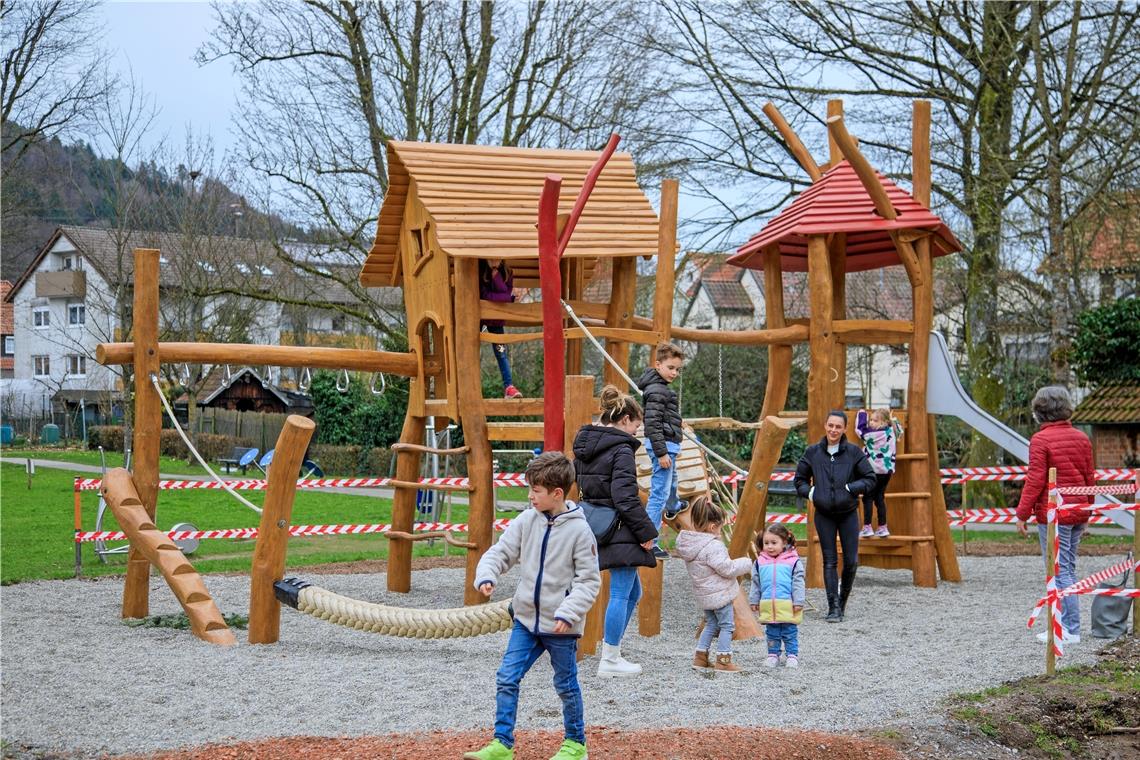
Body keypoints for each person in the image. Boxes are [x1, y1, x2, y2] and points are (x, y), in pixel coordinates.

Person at [464, 452, 600, 760]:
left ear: (556, 493)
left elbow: (589, 581)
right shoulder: (527, 520)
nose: (529, 496)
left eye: (535, 491)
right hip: (525, 620)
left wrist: (569, 611)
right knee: (507, 677)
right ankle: (502, 744)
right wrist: (487, 574)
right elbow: (501, 552)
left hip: (560, 625)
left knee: (565, 684)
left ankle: (576, 744)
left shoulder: (580, 532)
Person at [572, 385, 658, 678]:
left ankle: (613, 649)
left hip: (593, 520)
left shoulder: (585, 445)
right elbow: (625, 496)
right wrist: (646, 531)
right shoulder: (621, 448)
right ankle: (610, 657)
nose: (636, 433)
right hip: (619, 524)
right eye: (636, 426)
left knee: (634, 589)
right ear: (624, 420)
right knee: (622, 591)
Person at [1015, 386, 1094, 645]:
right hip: (1077, 510)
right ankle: (1069, 626)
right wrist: (1087, 510)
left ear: (1040, 412)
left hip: (1054, 514)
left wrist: (1022, 513)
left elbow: (1036, 479)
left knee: (1058, 572)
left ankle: (1068, 629)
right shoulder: (1082, 438)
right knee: (1068, 569)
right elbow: (1088, 477)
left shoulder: (1040, 440)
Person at [794, 410, 876, 623]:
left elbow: (870, 478)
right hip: (824, 515)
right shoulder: (812, 452)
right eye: (830, 425)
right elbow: (799, 480)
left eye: (838, 426)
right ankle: (833, 608)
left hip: (848, 513)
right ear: (825, 425)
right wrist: (812, 493)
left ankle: (842, 601)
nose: (833, 430)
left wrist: (851, 488)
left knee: (851, 561)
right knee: (829, 561)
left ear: (844, 429)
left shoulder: (853, 453)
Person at [674, 496, 752, 674]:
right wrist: (746, 563)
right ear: (712, 526)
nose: (720, 531)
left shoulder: (690, 545)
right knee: (727, 626)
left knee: (711, 624)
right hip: (720, 594)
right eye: (720, 527)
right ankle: (723, 660)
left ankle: (700, 657)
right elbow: (726, 568)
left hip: (704, 595)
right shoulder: (712, 546)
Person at [636, 342, 685, 559]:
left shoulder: (660, 387)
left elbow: (664, 418)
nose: (675, 373)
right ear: (658, 365)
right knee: (659, 494)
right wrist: (662, 452)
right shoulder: (657, 390)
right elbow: (652, 424)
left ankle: (673, 506)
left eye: (678, 369)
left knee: (672, 481)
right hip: (663, 446)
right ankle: (649, 541)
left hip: (668, 443)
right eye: (671, 368)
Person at [749, 523, 805, 668]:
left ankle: (792, 655)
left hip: (787, 603)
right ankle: (773, 655)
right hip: (768, 603)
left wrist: (798, 600)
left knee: (789, 631)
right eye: (766, 543)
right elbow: (756, 583)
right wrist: (754, 600)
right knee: (772, 632)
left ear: (784, 542)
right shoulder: (760, 562)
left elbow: (798, 582)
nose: (770, 546)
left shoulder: (793, 561)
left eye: (774, 543)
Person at [855, 408, 903, 538]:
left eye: (875, 420)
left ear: (883, 422)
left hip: (871, 470)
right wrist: (893, 420)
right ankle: (883, 527)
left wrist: (862, 414)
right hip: (886, 470)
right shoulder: (891, 431)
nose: (871, 423)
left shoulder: (869, 433)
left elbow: (859, 429)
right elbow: (900, 430)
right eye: (870, 419)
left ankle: (867, 527)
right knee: (880, 497)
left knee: (868, 498)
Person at [479, 258, 522, 399]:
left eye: (497, 258)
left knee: (501, 352)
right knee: (470, 350)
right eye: (491, 258)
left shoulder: (507, 272)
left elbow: (504, 294)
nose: (494, 261)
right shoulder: (478, 269)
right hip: (478, 315)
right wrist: (508, 298)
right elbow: (485, 295)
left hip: (496, 319)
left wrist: (496, 277)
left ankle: (509, 387)